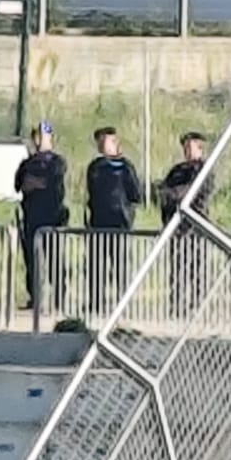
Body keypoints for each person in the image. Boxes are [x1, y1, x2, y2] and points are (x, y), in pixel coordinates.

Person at [84, 127, 143, 318]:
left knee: (120, 264)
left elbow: (135, 195)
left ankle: (123, 303)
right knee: (96, 265)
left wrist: (128, 215)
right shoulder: (95, 167)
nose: (103, 145)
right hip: (98, 222)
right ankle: (96, 301)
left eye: (107, 141)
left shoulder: (125, 166)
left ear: (116, 143)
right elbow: (91, 193)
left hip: (119, 222)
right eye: (100, 142)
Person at [158, 132, 216, 318]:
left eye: (191, 147)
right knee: (178, 268)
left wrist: (173, 193)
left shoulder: (205, 169)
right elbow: (164, 193)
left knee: (197, 268)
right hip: (177, 228)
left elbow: (195, 191)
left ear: (200, 148)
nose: (187, 151)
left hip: (196, 226)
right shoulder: (177, 170)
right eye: (185, 147)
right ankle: (177, 306)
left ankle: (197, 306)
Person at [14, 122, 68, 314]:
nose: (38, 141)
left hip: (51, 217)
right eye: (36, 136)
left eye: (42, 136)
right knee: (32, 261)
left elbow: (50, 182)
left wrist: (34, 182)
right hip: (31, 218)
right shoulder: (27, 163)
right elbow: (20, 184)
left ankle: (59, 299)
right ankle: (35, 298)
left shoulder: (56, 161)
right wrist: (33, 183)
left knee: (54, 260)